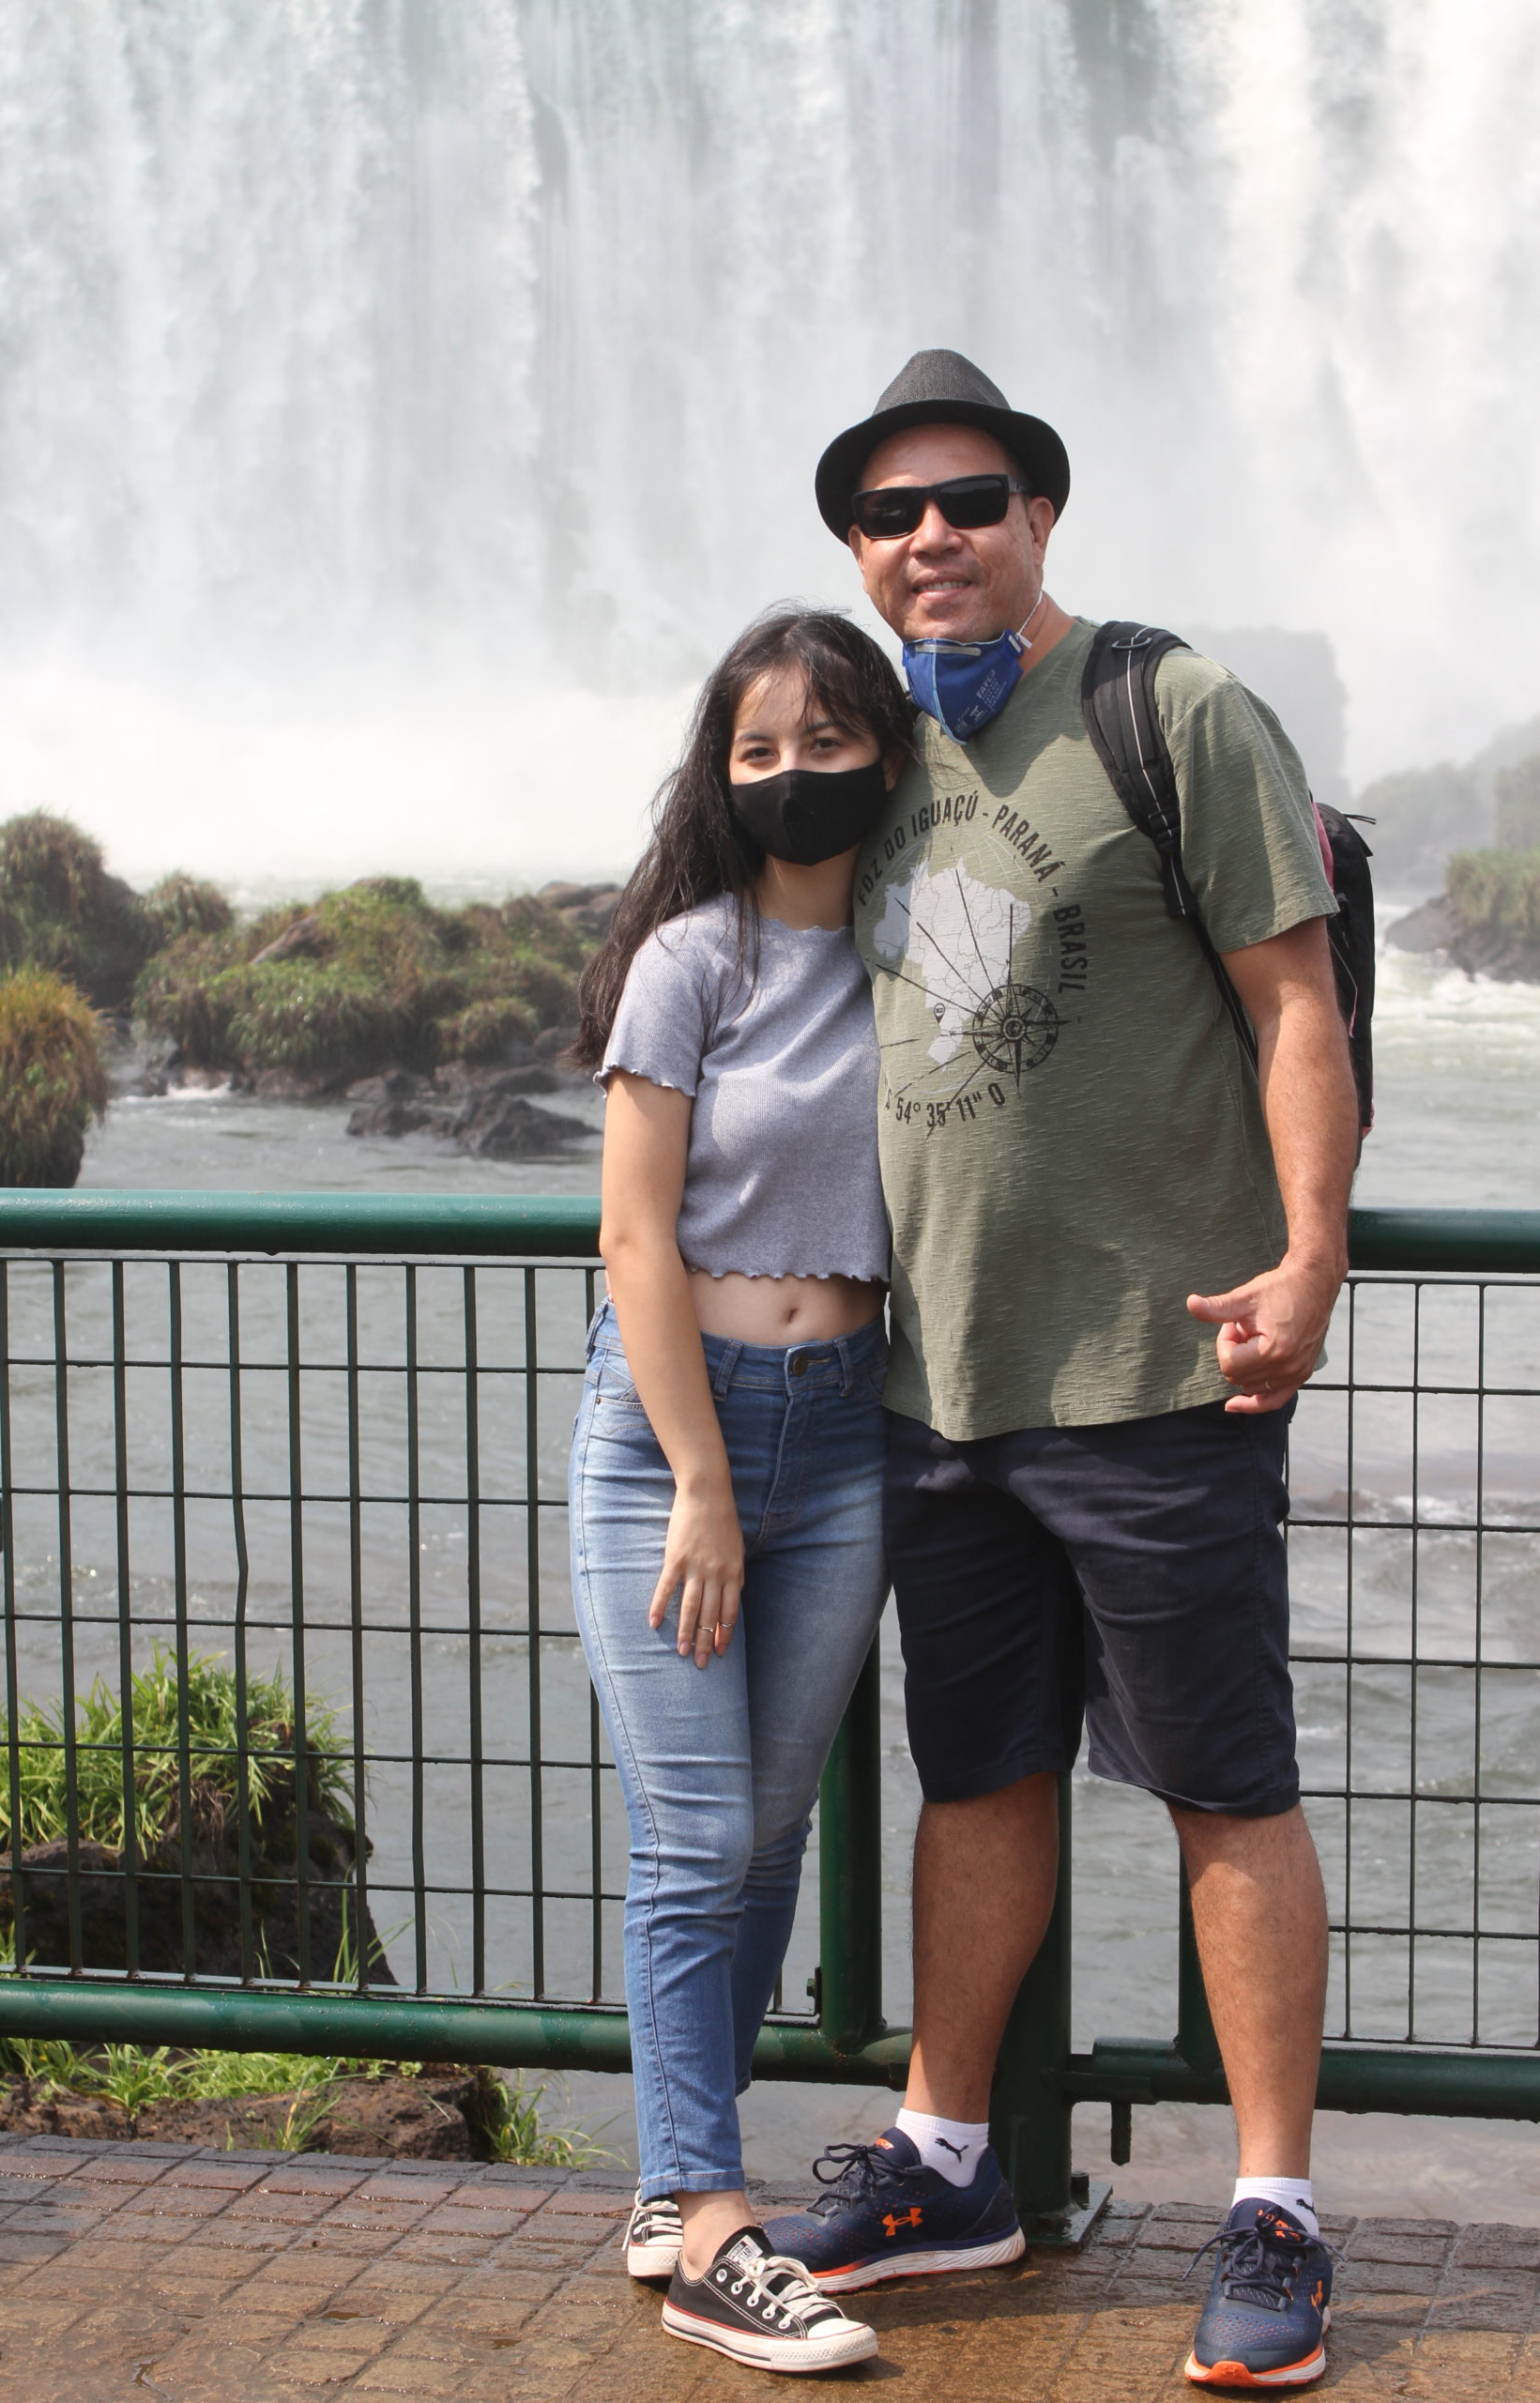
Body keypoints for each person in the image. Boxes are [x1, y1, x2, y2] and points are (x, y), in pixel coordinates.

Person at [762, 353, 1357, 2394]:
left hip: (1153, 1373)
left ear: (1037, 513)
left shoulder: (1167, 707)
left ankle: (1269, 2199)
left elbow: (1288, 1002)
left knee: (1221, 1781)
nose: (930, 534)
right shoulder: (858, 749)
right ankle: (949, 2155)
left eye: (971, 497)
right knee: (976, 1770)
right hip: (936, 1384)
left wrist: (1309, 1250)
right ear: (855, 546)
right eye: (889, 511)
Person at [567, 607, 930, 2375]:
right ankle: (717, 2227)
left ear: (887, 752)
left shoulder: (922, 949)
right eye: (759, 748)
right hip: (670, 1435)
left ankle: (664, 2179)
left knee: (759, 1838)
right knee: (702, 1835)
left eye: (828, 741)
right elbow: (634, 1232)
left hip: (849, 1426)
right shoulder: (688, 960)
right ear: (722, 773)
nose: (796, 774)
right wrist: (702, 1475)